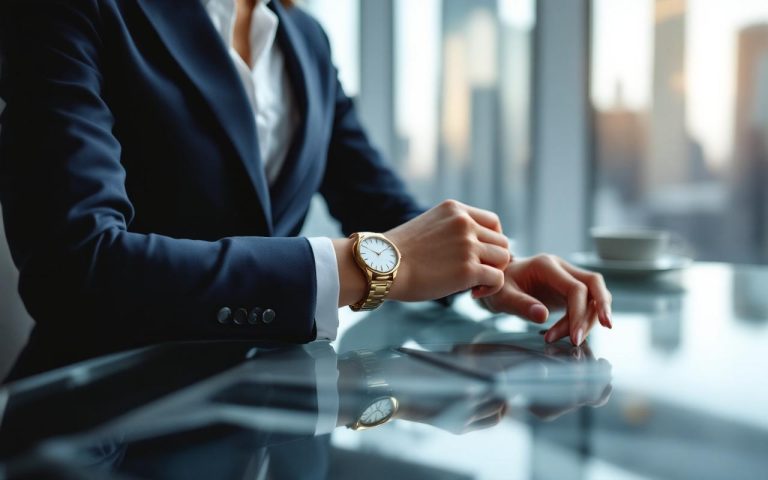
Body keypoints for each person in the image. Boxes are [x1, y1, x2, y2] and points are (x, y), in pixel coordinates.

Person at [0, 0, 612, 381]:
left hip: (269, 413)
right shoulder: (70, 9)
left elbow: (381, 202)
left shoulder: (306, 41)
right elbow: (75, 268)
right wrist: (369, 265)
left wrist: (493, 269)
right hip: (95, 418)